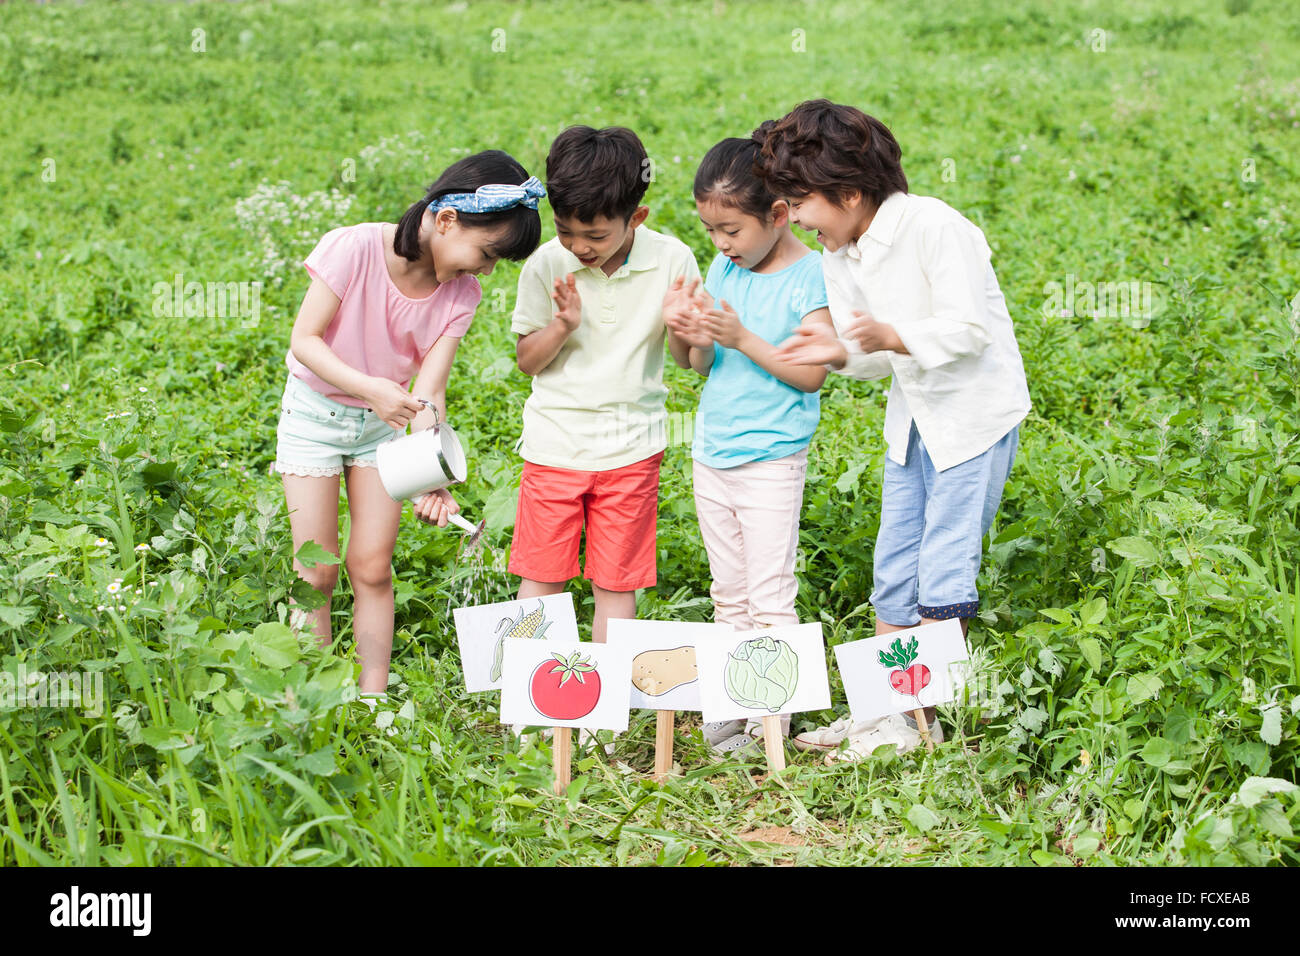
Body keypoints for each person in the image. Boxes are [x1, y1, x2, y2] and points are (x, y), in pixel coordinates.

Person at [761, 100, 1031, 759]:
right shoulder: (840, 252)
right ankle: (883, 712)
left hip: (971, 423)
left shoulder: (936, 228)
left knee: (943, 571)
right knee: (894, 567)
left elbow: (967, 330)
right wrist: (839, 351)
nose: (797, 218)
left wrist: (892, 334)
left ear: (850, 193)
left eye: (802, 202)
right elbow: (875, 356)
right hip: (913, 424)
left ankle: (924, 724)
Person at [275, 150, 543, 706]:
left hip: (385, 430)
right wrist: (370, 388)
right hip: (314, 418)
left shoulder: (461, 294)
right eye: (486, 254)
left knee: (372, 566)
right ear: (446, 220)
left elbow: (430, 393)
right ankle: (309, 705)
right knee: (315, 570)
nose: (486, 271)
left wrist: (431, 473)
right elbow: (304, 341)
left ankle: (370, 702)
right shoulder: (354, 248)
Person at [662, 126, 833, 755]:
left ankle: (772, 723)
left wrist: (742, 338)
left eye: (730, 230)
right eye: (710, 230)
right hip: (713, 454)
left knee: (769, 594)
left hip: (770, 461)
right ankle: (737, 704)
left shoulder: (811, 276)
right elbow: (698, 363)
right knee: (727, 592)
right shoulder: (724, 266)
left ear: (779, 215)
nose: (720, 243)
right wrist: (683, 330)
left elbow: (812, 373)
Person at [509, 126, 701, 649]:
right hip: (554, 446)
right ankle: (530, 691)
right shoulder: (547, 263)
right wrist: (561, 326)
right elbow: (527, 361)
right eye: (566, 231)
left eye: (594, 236)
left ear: (636, 217)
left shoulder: (673, 260)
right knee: (541, 576)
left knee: (617, 582)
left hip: (632, 448)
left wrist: (684, 328)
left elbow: (686, 360)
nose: (579, 247)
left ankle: (608, 692)